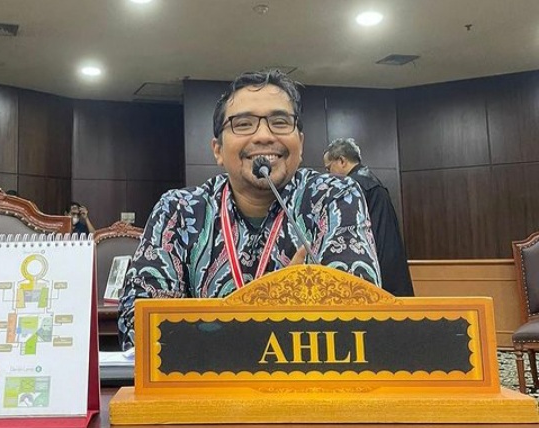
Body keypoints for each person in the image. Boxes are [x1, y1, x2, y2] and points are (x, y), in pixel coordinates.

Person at [117, 70, 381, 350]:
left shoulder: (334, 197)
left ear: (301, 144)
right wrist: (281, 302)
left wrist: (216, 328)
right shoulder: (179, 210)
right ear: (217, 150)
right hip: (207, 379)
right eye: (243, 124)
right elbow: (139, 328)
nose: (264, 136)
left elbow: (358, 314)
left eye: (280, 122)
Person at [322, 138, 414, 297]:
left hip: (373, 273)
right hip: (391, 267)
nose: (328, 175)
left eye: (329, 168)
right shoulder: (371, 181)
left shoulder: (351, 189)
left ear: (342, 161)